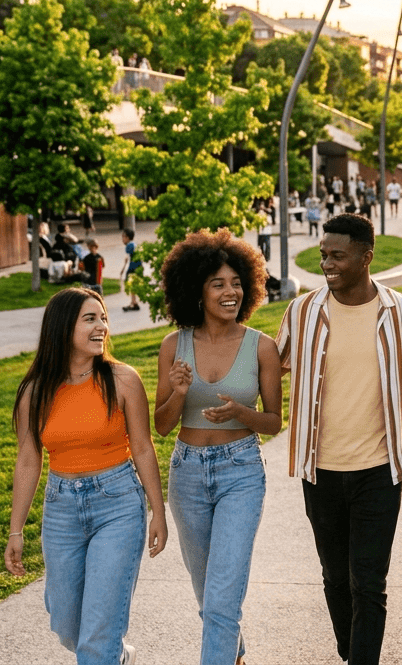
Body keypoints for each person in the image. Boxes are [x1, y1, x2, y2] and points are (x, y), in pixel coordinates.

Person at [277, 214, 402, 665]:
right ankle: (352, 650)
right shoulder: (302, 312)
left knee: (369, 583)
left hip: (380, 470)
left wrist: (390, 399)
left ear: (366, 257)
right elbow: (270, 364)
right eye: (324, 255)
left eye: (337, 256)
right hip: (319, 469)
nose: (326, 263)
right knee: (335, 577)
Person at [4, 287, 167, 665]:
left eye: (103, 318)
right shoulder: (35, 392)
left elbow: (143, 448)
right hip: (61, 509)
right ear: (63, 327)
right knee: (67, 625)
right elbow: (28, 460)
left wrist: (158, 511)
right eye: (90, 319)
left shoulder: (123, 380)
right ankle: (116, 655)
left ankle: (106, 652)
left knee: (97, 637)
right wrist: (15, 530)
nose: (102, 327)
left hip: (118, 504)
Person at [154, 230, 282, 665]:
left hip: (240, 470)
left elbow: (274, 422)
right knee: (207, 590)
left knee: (224, 595)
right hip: (187, 473)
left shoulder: (262, 346)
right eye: (218, 284)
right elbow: (162, 426)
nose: (231, 292)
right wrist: (178, 392)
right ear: (196, 290)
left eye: (237, 283)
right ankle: (234, 652)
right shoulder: (173, 346)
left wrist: (241, 413)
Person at [120, 229, 143, 312]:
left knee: (131, 285)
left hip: (133, 268)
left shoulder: (129, 246)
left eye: (123, 237)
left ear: (127, 237)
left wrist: (123, 270)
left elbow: (127, 257)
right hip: (138, 267)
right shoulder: (135, 244)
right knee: (133, 285)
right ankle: (134, 302)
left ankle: (133, 303)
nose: (122, 239)